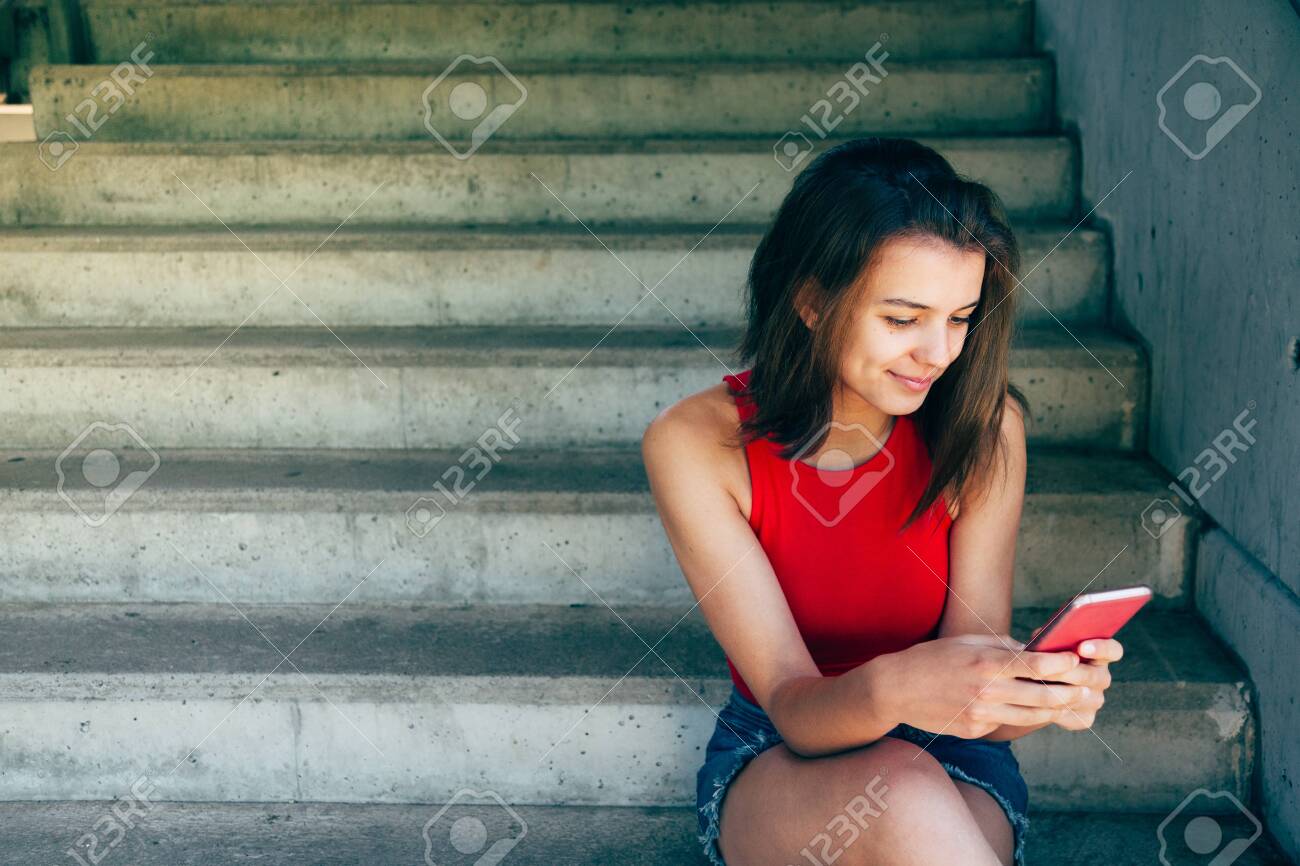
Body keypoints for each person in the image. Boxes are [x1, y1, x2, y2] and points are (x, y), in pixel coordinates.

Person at [641, 138, 1124, 866]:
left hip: (952, 757)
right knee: (899, 791)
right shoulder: (696, 442)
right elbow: (793, 704)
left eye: (961, 317)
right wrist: (897, 686)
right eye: (903, 319)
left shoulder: (987, 429)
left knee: (915, 792)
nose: (939, 352)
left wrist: (1035, 694)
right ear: (811, 301)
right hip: (780, 752)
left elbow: (973, 676)